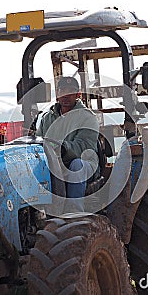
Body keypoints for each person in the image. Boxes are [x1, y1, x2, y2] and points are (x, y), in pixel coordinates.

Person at [36, 76, 99, 210]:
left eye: (70, 91)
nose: (66, 95)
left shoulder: (87, 117)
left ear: (78, 95)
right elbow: (38, 141)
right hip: (53, 163)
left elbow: (84, 148)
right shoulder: (47, 118)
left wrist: (60, 147)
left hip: (83, 163)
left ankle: (74, 213)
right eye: (62, 90)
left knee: (77, 165)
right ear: (57, 94)